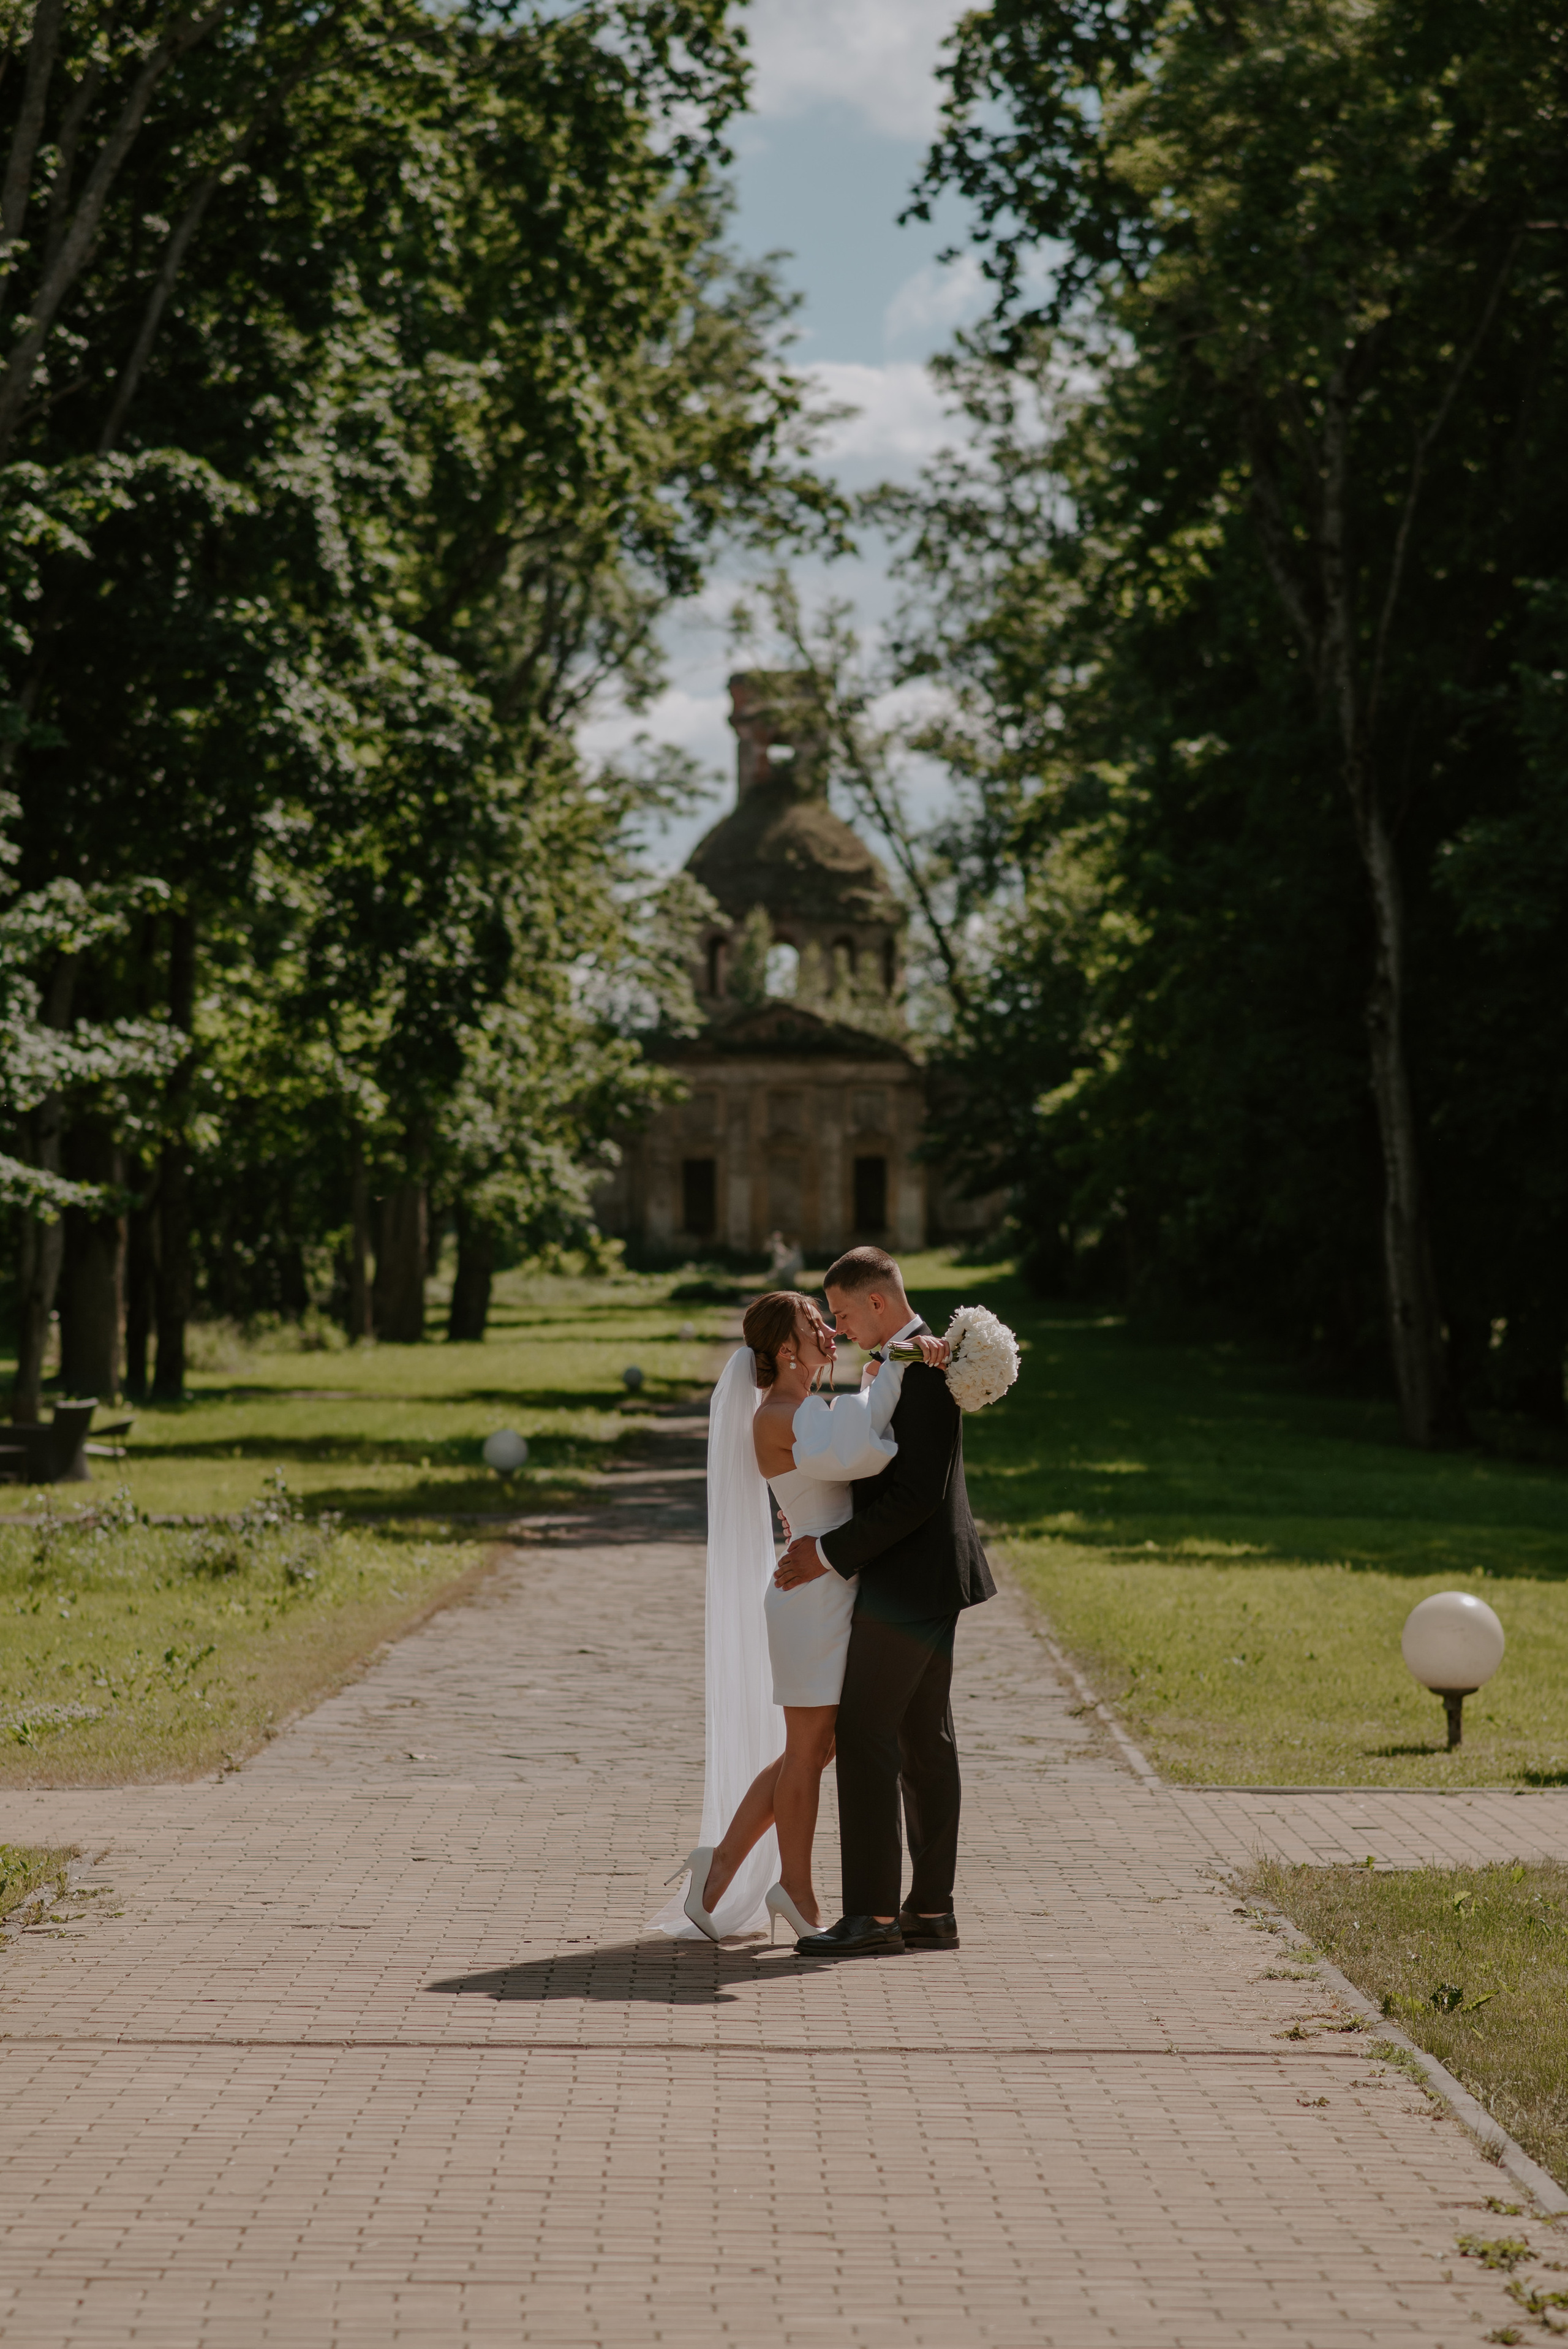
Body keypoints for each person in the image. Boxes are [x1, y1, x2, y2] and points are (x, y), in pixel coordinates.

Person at [656, 1289, 949, 1943]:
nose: (828, 1328)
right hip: (810, 1595)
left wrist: (881, 1375)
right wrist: (896, 1367)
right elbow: (865, 1454)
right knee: (810, 1747)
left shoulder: (808, 1408)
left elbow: (856, 1435)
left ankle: (721, 1863)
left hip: (828, 1585)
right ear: (786, 1349)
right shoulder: (782, 1414)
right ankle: (793, 1886)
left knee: (814, 1748)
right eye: (814, 1323)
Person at [774, 1246, 996, 1959]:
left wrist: (828, 1553)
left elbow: (915, 1494)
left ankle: (870, 1917)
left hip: (909, 1579)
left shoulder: (926, 1367)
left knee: (869, 1733)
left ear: (877, 1301)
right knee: (923, 1742)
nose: (837, 1328)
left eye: (841, 1312)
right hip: (924, 1576)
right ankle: (930, 1912)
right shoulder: (901, 1359)